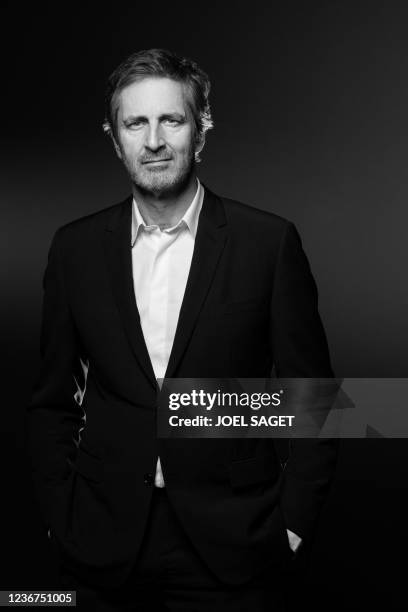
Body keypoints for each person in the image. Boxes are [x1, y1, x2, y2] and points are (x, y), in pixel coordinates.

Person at [26, 48, 337, 611]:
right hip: (103, 541)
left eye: (171, 119)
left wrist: (292, 525)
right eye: (135, 122)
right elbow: (52, 401)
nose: (153, 140)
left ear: (201, 128)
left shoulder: (267, 243)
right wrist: (60, 515)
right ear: (113, 135)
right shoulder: (74, 249)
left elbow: (313, 399)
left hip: (234, 545)